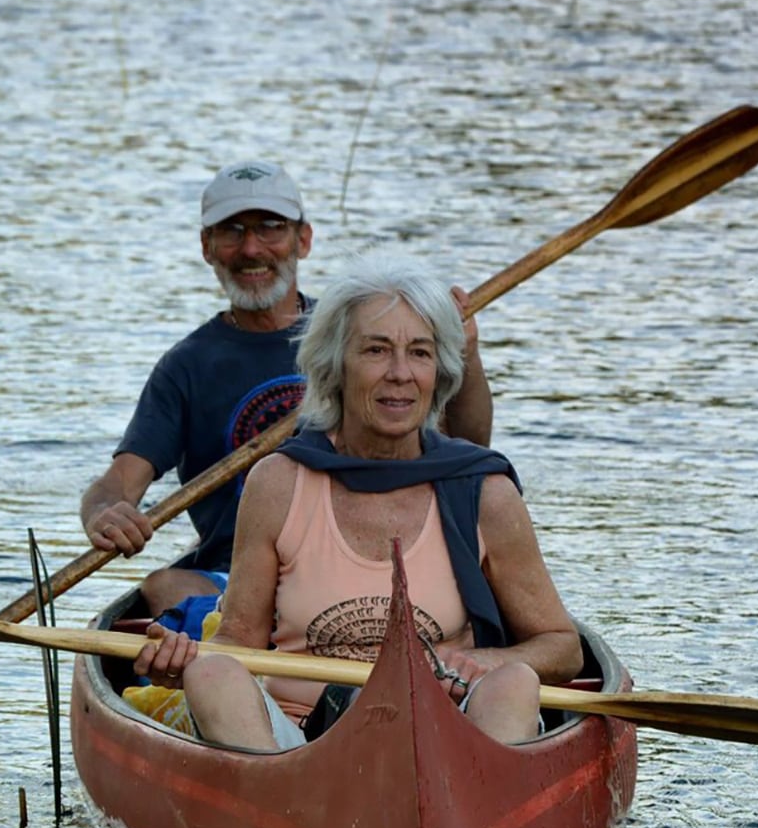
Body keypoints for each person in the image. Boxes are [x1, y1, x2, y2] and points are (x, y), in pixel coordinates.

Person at [131, 252, 582, 749]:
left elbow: (561, 647)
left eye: (420, 353)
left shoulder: (485, 493)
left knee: (514, 684)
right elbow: (236, 641)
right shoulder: (278, 483)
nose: (400, 373)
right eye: (375, 350)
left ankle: (482, 816)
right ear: (335, 366)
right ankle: (286, 814)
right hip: (297, 746)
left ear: (441, 372)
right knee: (212, 677)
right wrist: (184, 662)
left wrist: (488, 662)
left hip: (446, 737)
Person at [80, 161, 494, 620]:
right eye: (232, 231)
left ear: (304, 240)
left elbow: (469, 447)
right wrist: (105, 512)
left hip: (378, 555)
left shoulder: (361, 333)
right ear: (207, 247)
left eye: (270, 228)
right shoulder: (186, 367)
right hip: (235, 576)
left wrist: (467, 353)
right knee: (166, 587)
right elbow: (121, 481)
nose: (252, 248)